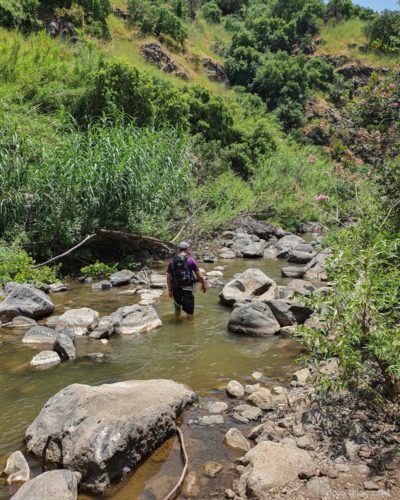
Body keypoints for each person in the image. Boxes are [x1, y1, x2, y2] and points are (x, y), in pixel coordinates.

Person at [166, 241, 207, 319]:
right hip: (188, 287)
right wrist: (203, 285)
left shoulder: (172, 260)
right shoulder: (191, 260)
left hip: (176, 287)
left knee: (177, 308)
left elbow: (168, 277)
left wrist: (170, 290)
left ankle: (177, 323)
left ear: (179, 249)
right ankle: (190, 327)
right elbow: (199, 276)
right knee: (189, 312)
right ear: (187, 249)